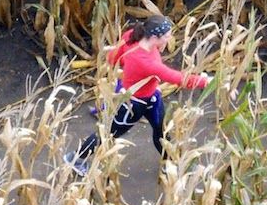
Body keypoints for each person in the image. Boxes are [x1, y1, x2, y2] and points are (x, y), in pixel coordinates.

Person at [64, 15, 210, 176]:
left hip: (152, 97)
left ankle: (170, 162)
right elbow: (177, 78)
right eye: (167, 36)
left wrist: (128, 75)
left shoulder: (133, 35)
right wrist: (208, 81)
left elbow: (113, 58)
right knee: (108, 134)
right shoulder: (145, 61)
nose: (170, 38)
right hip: (132, 104)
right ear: (155, 37)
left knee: (161, 131)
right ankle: (75, 158)